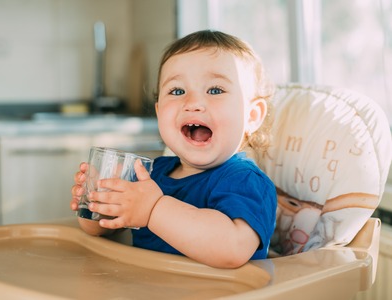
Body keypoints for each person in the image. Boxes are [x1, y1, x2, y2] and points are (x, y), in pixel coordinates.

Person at [70, 30, 277, 268]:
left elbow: (232, 248)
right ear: (159, 113)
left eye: (215, 90)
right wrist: (98, 205)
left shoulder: (245, 181)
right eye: (177, 91)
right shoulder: (152, 174)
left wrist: (153, 209)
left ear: (252, 116)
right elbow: (106, 230)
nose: (193, 103)